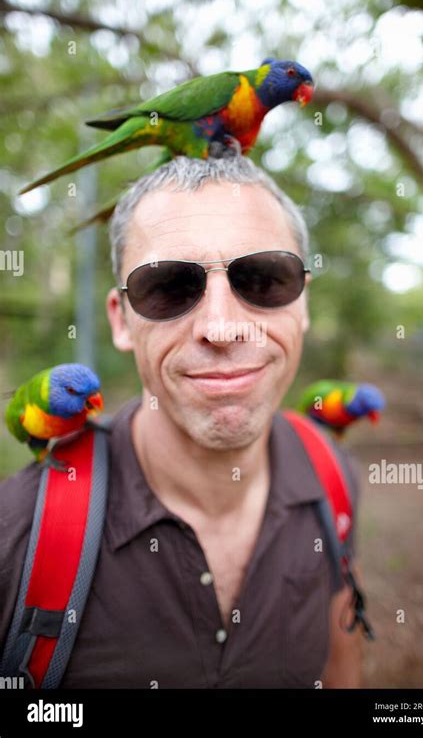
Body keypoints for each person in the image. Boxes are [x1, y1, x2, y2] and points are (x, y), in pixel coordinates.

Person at [0, 155, 363, 688]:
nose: (221, 327)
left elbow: (343, 664)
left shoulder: (334, 480)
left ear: (304, 303)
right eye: (168, 286)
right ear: (121, 321)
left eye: (263, 279)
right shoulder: (15, 536)